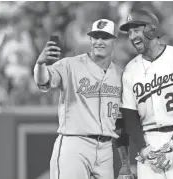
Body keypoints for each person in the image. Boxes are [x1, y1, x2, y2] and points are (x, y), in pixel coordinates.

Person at [34, 19, 134, 179]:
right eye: (96, 37)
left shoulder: (120, 75)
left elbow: (120, 123)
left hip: (106, 150)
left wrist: (125, 164)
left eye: (105, 37)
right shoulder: (70, 65)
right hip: (75, 144)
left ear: (115, 41)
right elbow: (43, 80)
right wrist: (40, 64)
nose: (99, 41)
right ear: (90, 39)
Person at [119, 9, 173, 179]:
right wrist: (143, 150)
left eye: (136, 30)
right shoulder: (130, 70)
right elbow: (129, 115)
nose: (131, 37)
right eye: (129, 33)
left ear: (151, 30)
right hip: (148, 142)